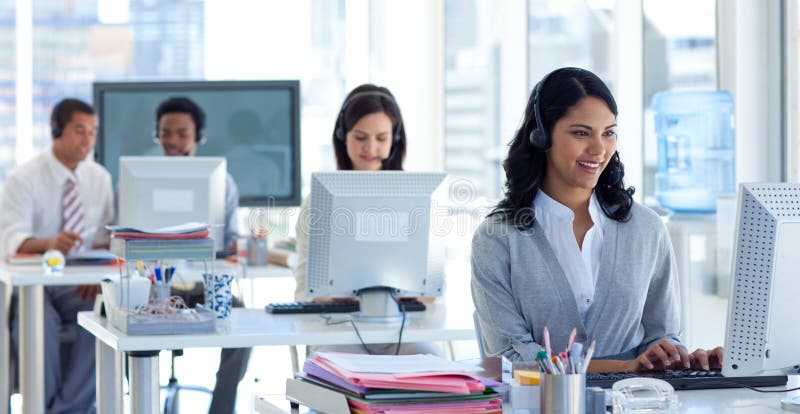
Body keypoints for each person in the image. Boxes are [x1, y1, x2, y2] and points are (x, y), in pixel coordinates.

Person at [470, 67, 723, 372]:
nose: (599, 149)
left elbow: (663, 335)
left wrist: (675, 356)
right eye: (581, 133)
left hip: (636, 402)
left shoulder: (647, 229)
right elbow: (508, 357)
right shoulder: (497, 237)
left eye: (608, 133)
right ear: (542, 136)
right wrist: (625, 368)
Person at [293, 84, 438, 355]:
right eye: (360, 137)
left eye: (381, 138)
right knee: (336, 375)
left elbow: (432, 289)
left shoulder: (415, 196)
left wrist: (417, 293)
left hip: (399, 327)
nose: (371, 148)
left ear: (394, 140)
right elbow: (303, 287)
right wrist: (325, 295)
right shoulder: (319, 200)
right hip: (339, 328)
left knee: (433, 363)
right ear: (342, 136)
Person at [0, 98, 114, 412]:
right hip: (36, 287)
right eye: (80, 131)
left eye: (93, 132)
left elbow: (108, 241)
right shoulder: (24, 178)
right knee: (35, 320)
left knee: (105, 314)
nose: (87, 140)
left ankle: (67, 409)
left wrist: (99, 279)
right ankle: (41, 406)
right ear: (56, 129)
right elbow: (12, 240)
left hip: (80, 287)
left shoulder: (100, 179)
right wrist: (50, 243)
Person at [154, 96, 251, 414]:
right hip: (154, 291)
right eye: (166, 133)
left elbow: (231, 239)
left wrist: (237, 247)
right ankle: (144, 404)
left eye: (182, 133)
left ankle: (221, 410)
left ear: (198, 137)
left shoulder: (223, 182)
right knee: (129, 327)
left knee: (240, 324)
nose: (173, 141)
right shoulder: (139, 176)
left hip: (204, 287)